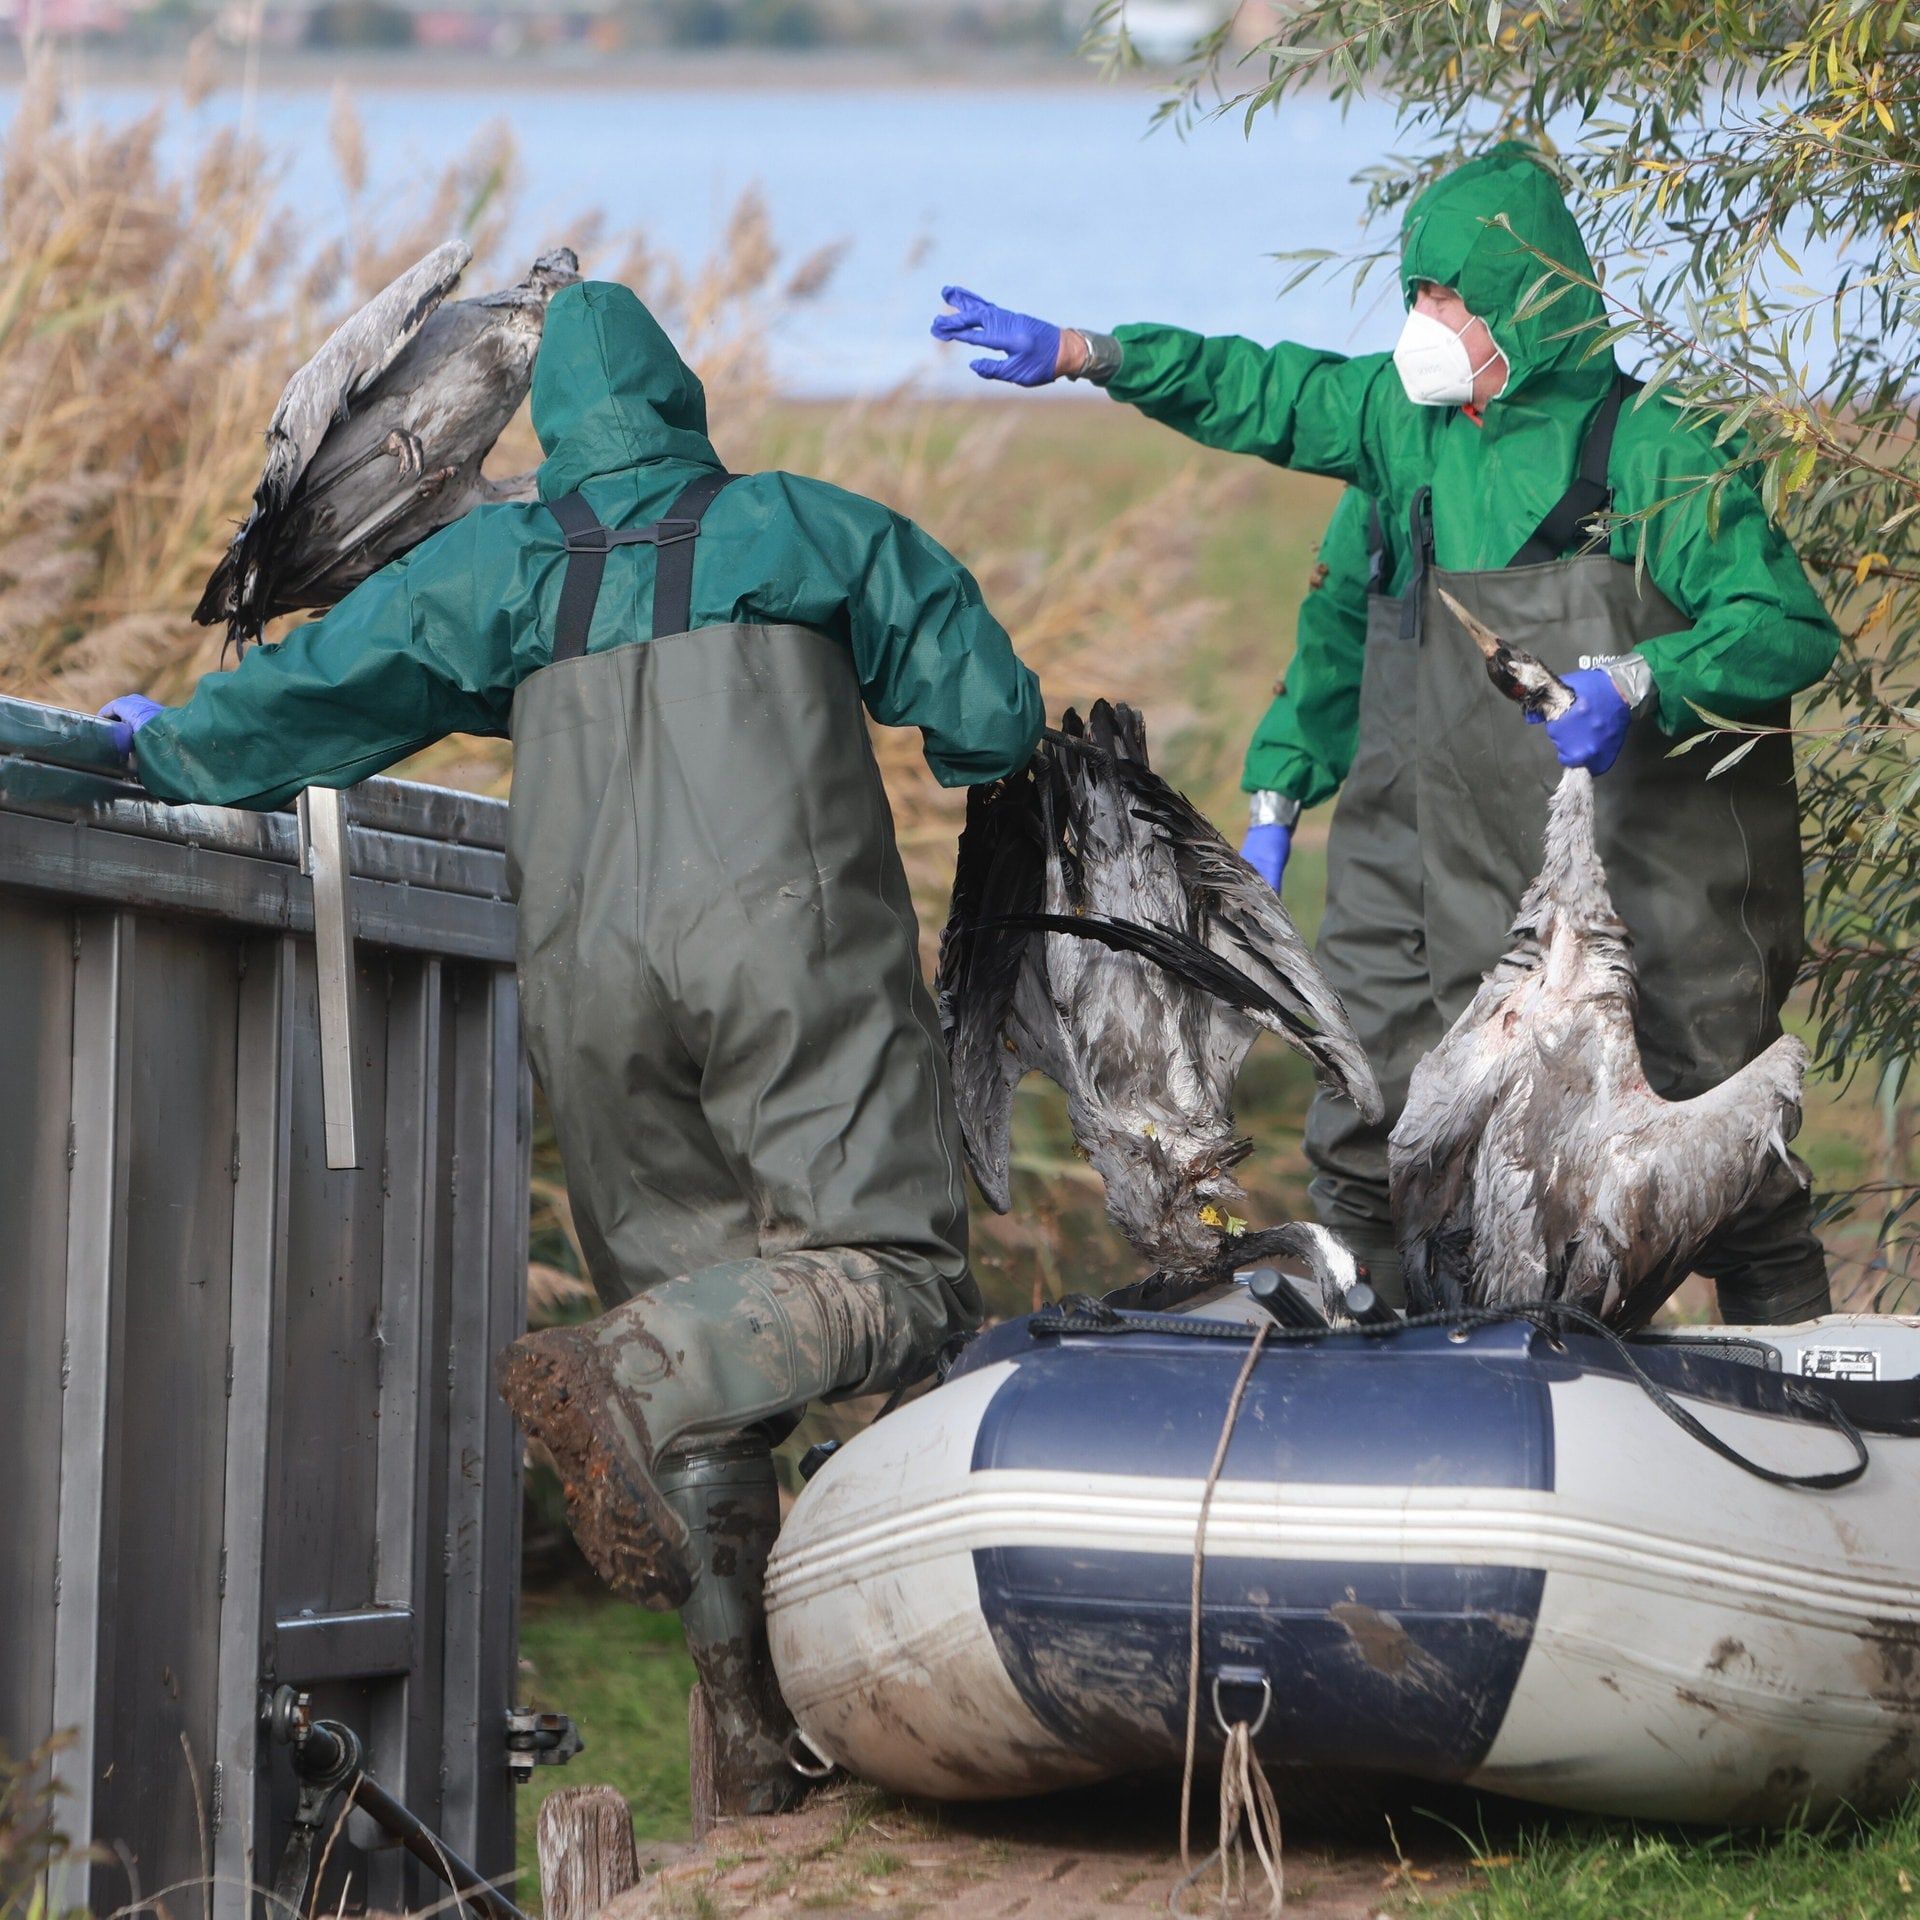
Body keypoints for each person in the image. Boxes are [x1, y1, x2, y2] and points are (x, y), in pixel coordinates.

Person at [101, 278, 1043, 1814]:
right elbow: (990, 715)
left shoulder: (503, 561)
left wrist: (172, 744)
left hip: (593, 980)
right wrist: (963, 748)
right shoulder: (808, 526)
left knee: (707, 1385)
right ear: (683, 406)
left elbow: (323, 691)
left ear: (555, 432)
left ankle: (752, 1750)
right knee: (892, 1272)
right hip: (787, 954)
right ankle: (618, 1371)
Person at [931, 142, 1838, 1324]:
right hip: (1429, 858)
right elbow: (1272, 406)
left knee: (1706, 1133)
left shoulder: (1657, 451)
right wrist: (1085, 354)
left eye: (1448, 298)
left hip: (1643, 877)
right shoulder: (1402, 441)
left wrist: (1643, 677)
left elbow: (1786, 627)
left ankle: (1808, 1373)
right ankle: (1398, 1371)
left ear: (1528, 301)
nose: (1423, 322)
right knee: (1384, 1127)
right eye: (1414, 296)